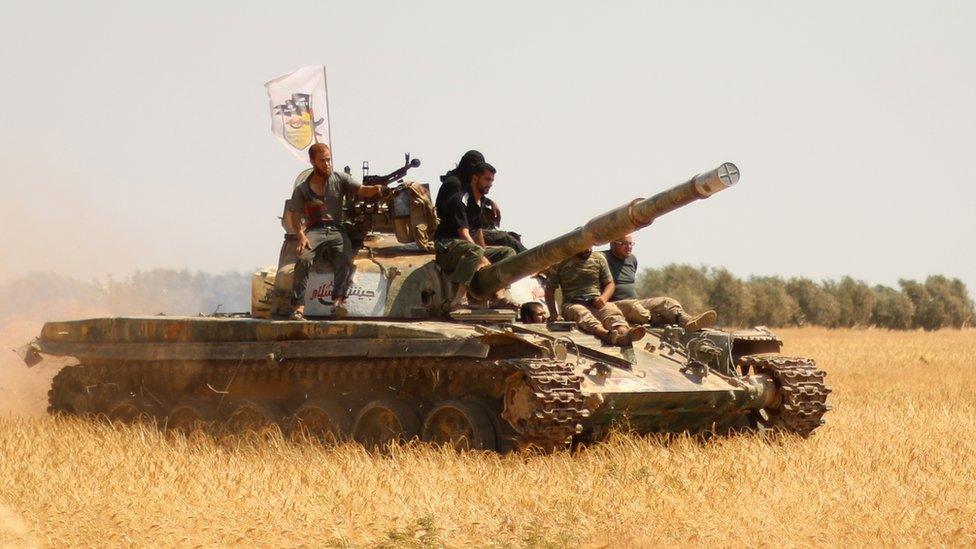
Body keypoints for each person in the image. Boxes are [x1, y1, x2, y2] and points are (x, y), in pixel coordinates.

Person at [287, 143, 388, 319]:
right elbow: (295, 216)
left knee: (345, 256)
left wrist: (377, 189)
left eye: (328, 160)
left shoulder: (339, 178)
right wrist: (301, 236)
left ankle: (338, 302)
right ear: (312, 162)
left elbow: (361, 190)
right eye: (322, 161)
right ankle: (298, 306)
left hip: (336, 228)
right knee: (303, 259)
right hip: (315, 229)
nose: (327, 164)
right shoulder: (303, 189)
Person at [433, 152, 517, 311]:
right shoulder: (458, 195)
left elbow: (477, 230)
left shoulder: (478, 201)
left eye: (492, 180)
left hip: (466, 244)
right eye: (487, 179)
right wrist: (481, 255)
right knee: (475, 250)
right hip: (448, 244)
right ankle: (459, 299)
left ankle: (499, 295)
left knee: (508, 252)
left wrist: (484, 252)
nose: (490, 184)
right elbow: (463, 233)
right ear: (474, 177)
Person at [601, 234, 717, 331]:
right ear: (613, 243)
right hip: (614, 306)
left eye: (631, 244)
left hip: (636, 302)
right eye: (624, 244)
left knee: (667, 302)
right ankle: (661, 320)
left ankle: (687, 321)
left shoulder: (632, 260)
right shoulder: (601, 259)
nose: (629, 247)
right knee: (634, 308)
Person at [544, 248, 645, 345]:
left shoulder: (598, 258)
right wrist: (554, 313)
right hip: (572, 303)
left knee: (611, 310)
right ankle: (606, 335)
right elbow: (549, 290)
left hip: (596, 302)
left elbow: (610, 284)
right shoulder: (560, 262)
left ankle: (624, 333)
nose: (588, 249)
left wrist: (603, 298)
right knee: (581, 313)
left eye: (590, 246)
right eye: (584, 246)